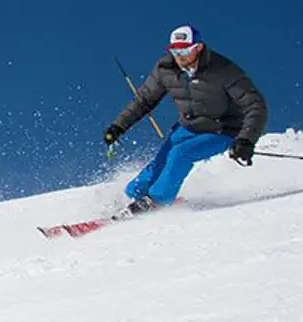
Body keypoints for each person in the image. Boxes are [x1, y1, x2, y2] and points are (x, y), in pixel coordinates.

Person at [104, 24, 268, 214]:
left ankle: (156, 201)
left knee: (181, 153)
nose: (179, 56)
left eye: (185, 50)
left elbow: (255, 104)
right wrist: (118, 127)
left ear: (198, 47)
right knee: (162, 158)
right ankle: (132, 195)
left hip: (224, 130)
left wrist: (246, 140)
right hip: (188, 126)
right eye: (175, 50)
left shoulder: (223, 70)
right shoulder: (166, 69)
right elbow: (144, 100)